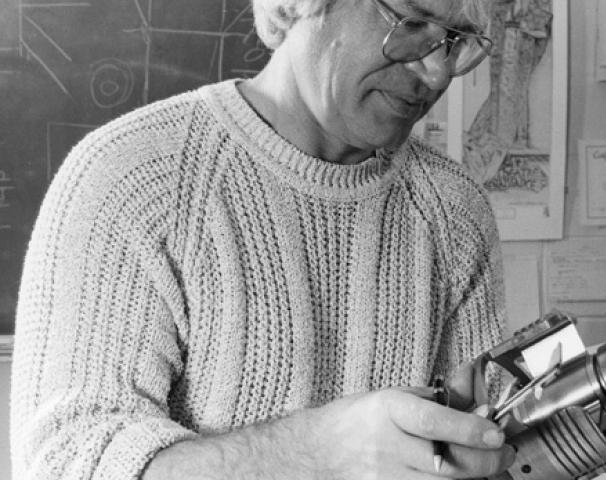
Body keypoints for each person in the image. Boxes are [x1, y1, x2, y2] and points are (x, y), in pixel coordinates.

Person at [10, 0, 515, 478]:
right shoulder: (130, 177)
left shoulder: (454, 210)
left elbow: (488, 441)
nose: (438, 72)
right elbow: (66, 461)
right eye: (410, 24)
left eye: (457, 40)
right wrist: (318, 455)